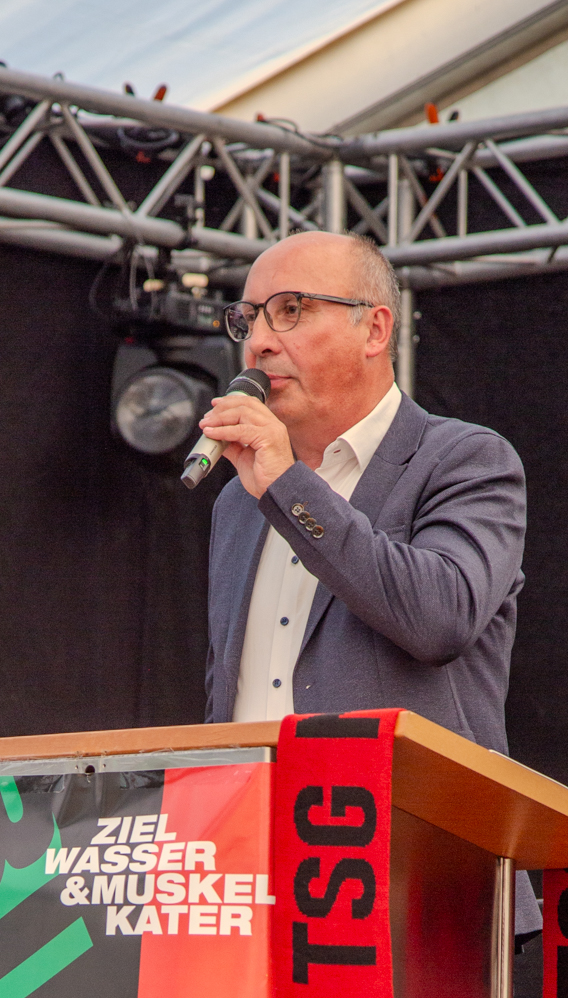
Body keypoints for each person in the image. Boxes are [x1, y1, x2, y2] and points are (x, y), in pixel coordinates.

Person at [201, 230, 540, 936]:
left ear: (374, 329)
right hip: (252, 886)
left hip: (416, 887)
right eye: (249, 318)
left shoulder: (464, 459)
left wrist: (289, 486)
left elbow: (439, 617)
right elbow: (230, 692)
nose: (258, 342)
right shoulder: (238, 499)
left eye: (291, 310)